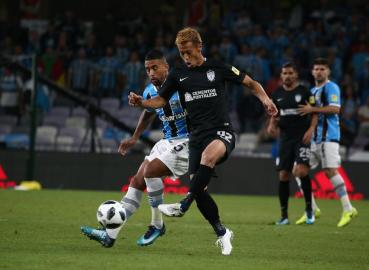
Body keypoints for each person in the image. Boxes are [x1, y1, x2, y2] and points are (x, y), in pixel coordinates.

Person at [128, 27, 277, 255]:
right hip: (195, 138)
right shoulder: (178, 75)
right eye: (181, 53)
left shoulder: (218, 68)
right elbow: (159, 101)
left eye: (188, 52)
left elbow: (252, 84)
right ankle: (222, 233)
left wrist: (265, 100)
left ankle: (183, 203)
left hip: (221, 132)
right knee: (201, 191)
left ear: (199, 46)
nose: (186, 58)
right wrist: (142, 103)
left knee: (209, 158)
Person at [80, 49, 189, 247]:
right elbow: (149, 112)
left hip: (188, 141)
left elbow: (159, 104)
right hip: (167, 141)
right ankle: (109, 236)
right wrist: (134, 137)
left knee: (150, 171)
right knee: (138, 180)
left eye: (155, 68)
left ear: (166, 67)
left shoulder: (182, 86)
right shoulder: (149, 91)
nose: (151, 73)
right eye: (148, 69)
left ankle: (157, 224)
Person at [298, 57, 358, 227]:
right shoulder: (312, 90)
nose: (319, 72)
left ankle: (348, 209)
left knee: (330, 171)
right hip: (314, 139)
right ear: (312, 71)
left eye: (322, 69)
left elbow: (335, 109)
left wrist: (312, 109)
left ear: (328, 71)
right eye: (316, 69)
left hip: (328, 137)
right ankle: (312, 209)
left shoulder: (331, 87)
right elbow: (311, 113)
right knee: (298, 170)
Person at [267, 62, 318, 225]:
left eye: (290, 73)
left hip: (302, 138)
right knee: (283, 175)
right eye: (284, 73)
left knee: (302, 171)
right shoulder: (277, 94)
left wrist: (311, 129)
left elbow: (315, 112)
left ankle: (310, 211)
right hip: (285, 139)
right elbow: (275, 114)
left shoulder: (304, 92)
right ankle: (284, 216)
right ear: (281, 76)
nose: (287, 76)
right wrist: (271, 125)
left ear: (296, 75)